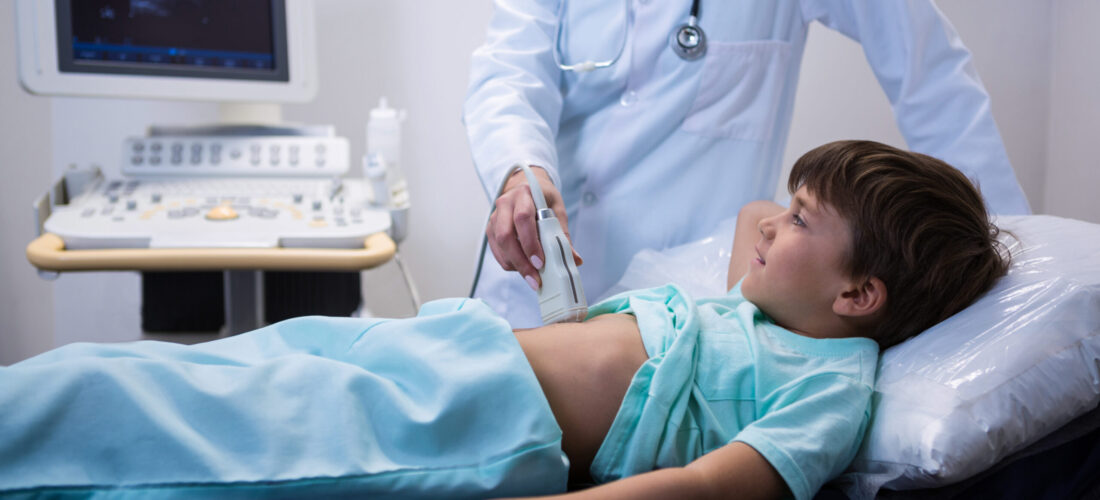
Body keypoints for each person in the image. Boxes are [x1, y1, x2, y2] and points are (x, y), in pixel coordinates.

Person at [0, 141, 1008, 499]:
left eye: (798, 221)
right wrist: (806, 219)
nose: (765, 226)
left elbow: (713, 484)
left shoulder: (827, 381)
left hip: (473, 414)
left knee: (152, 424)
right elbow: (759, 213)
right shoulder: (755, 299)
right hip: (436, 346)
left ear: (857, 297)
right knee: (155, 374)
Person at [464, 0, 1030, 328]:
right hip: (530, 274)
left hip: (679, 312)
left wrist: (1008, 268)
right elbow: (508, 73)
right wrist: (521, 168)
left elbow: (930, 73)